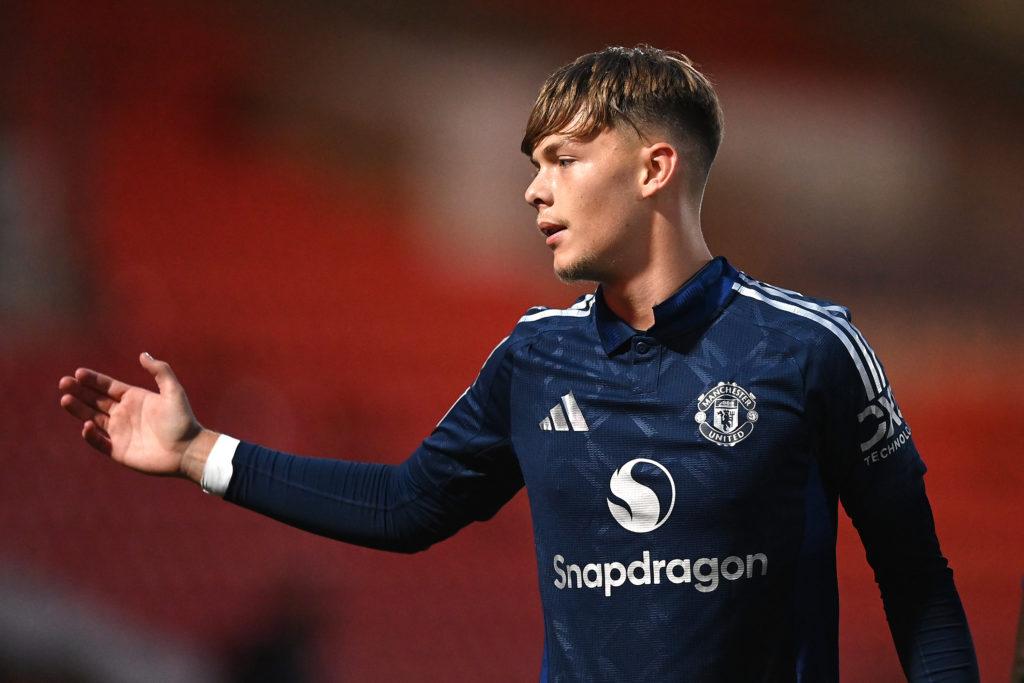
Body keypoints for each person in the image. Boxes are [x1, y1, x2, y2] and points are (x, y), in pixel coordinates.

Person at [58, 45, 979, 681]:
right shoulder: (535, 356)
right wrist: (197, 452)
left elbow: (916, 574)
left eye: (563, 159)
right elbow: (407, 505)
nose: (535, 188)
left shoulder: (811, 347)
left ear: (655, 169)